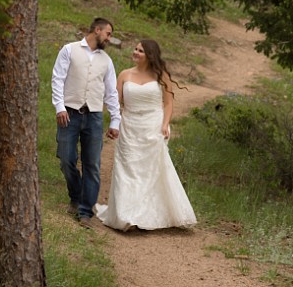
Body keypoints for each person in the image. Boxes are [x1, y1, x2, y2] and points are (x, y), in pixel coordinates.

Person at [96, 39, 197, 231]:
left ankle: (149, 213)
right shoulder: (124, 75)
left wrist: (165, 124)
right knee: (128, 170)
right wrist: (114, 123)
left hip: (153, 125)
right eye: (135, 49)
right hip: (130, 126)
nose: (135, 52)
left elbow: (168, 103)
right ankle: (126, 215)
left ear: (149, 55)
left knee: (151, 171)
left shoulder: (161, 76)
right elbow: (115, 103)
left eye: (140, 50)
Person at [52, 18, 123, 228]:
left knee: (92, 164)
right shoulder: (69, 50)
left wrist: (115, 121)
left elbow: (111, 92)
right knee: (66, 159)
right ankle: (75, 196)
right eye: (108, 34)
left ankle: (85, 211)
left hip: (93, 117)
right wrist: (60, 107)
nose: (109, 39)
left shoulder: (106, 61)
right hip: (69, 113)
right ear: (97, 30)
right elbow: (57, 79)